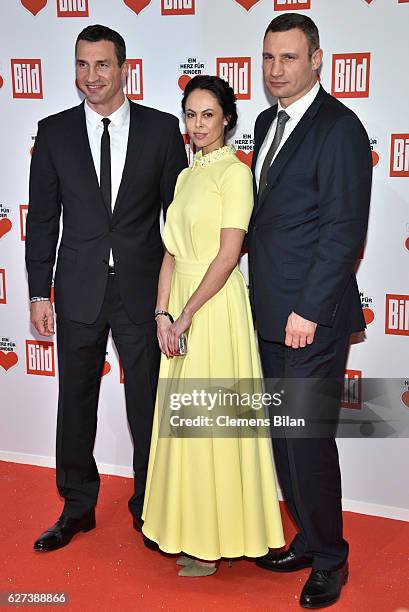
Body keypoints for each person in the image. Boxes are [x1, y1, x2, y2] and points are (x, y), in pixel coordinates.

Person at [26, 24, 187, 552]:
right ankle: (76, 506)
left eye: (101, 65)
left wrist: (174, 300)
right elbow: (44, 220)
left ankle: (151, 506)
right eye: (81, 65)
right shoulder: (52, 133)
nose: (90, 76)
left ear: (124, 68)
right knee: (75, 401)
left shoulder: (162, 131)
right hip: (77, 287)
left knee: (147, 402)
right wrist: (36, 293)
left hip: (143, 293)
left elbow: (178, 222)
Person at [248, 13, 372, 608]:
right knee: (281, 437)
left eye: (290, 58)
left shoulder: (340, 128)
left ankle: (331, 559)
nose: (277, 70)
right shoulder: (266, 121)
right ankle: (306, 536)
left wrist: (309, 310)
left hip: (308, 319)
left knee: (308, 439)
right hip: (269, 312)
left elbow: (343, 231)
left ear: (317, 59)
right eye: (269, 57)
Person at [141, 75, 285, 577]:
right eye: (190, 115)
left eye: (208, 115)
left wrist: (185, 314)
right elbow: (170, 251)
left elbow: (226, 257)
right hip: (178, 304)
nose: (198, 125)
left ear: (227, 118)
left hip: (214, 306)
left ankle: (213, 541)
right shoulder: (184, 177)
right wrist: (161, 313)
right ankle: (188, 527)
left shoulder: (235, 174)